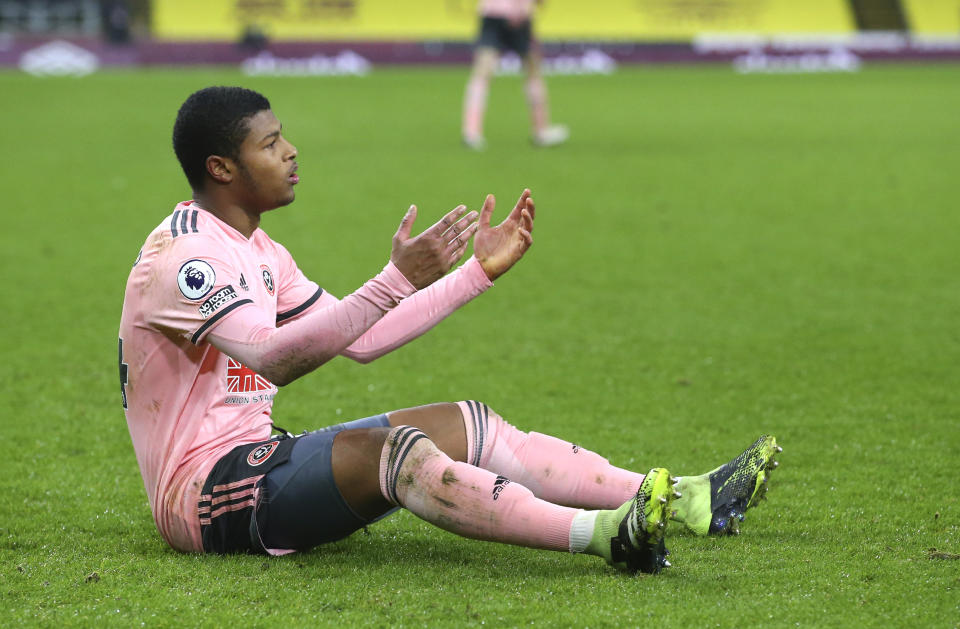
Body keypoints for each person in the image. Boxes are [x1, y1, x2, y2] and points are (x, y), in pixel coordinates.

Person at [118, 86, 781, 574]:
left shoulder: (262, 252)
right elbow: (273, 360)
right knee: (398, 453)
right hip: (203, 493)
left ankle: (689, 497)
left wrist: (473, 273)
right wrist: (394, 277)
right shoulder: (185, 258)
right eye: (270, 143)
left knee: (470, 423)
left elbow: (361, 338)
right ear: (221, 168)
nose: (291, 151)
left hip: (260, 461)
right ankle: (606, 533)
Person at [462, 0, 569, 150]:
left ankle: (471, 132)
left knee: (485, 71)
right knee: (530, 71)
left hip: (495, 12)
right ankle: (540, 131)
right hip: (513, 15)